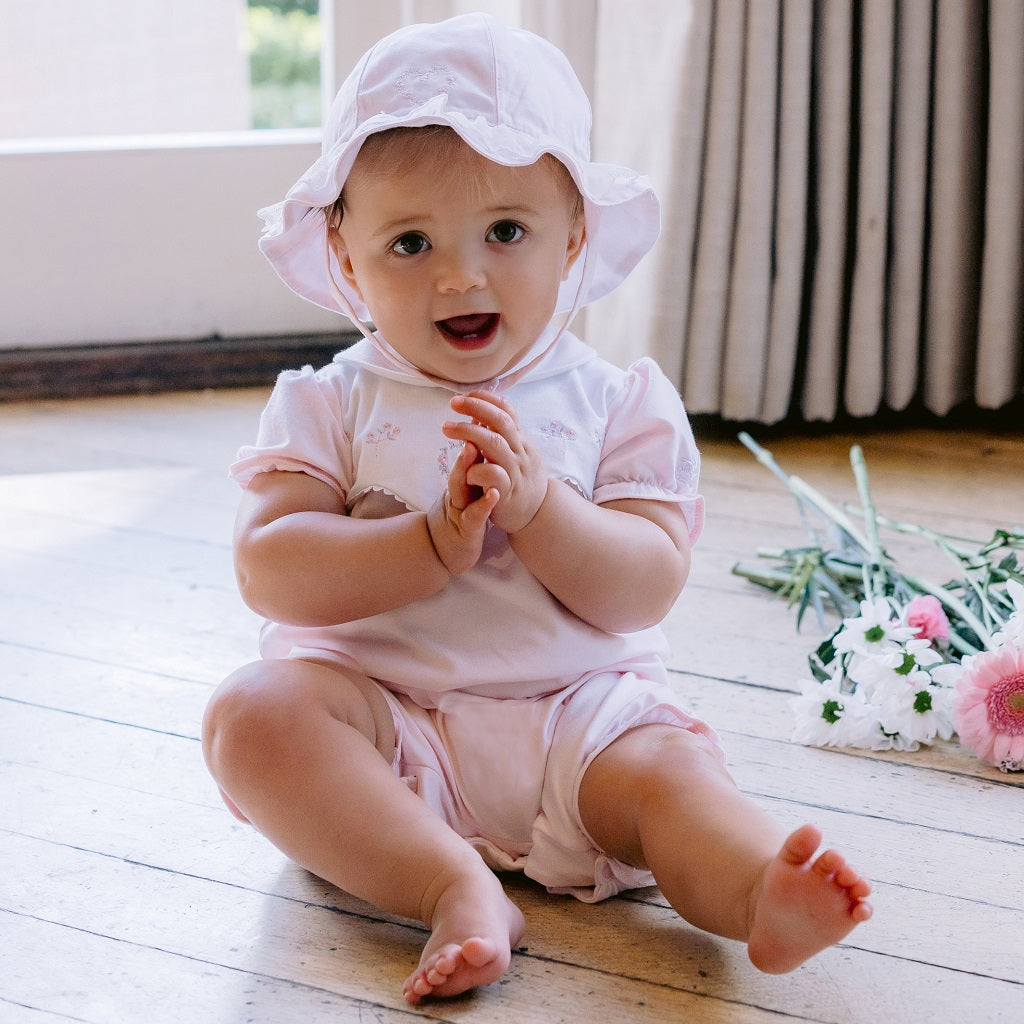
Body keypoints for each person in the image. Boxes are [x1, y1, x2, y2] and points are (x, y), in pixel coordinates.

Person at [201, 13, 872, 1005]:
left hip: (578, 720)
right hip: (385, 729)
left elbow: (644, 584)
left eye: (505, 231)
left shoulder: (616, 402)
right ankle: (448, 882)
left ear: (574, 239)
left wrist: (542, 506)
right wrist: (426, 542)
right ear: (346, 258)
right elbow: (271, 565)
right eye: (410, 241)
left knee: (670, 777)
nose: (459, 274)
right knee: (252, 717)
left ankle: (754, 884)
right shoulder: (329, 401)